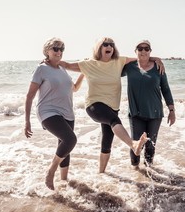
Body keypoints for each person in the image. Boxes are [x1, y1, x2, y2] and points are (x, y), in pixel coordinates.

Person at [58, 37, 164, 173]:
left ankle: (101, 173)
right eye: (105, 44)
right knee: (114, 120)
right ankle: (133, 144)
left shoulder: (119, 61)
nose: (109, 46)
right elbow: (66, 65)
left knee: (107, 142)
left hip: (112, 108)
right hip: (94, 105)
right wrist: (50, 62)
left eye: (111, 44)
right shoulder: (89, 63)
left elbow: (141, 57)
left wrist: (156, 59)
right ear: (99, 48)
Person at [24, 37, 84, 190]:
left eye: (61, 49)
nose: (59, 52)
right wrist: (27, 121)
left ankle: (63, 182)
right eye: (55, 49)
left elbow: (75, 88)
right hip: (48, 111)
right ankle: (50, 172)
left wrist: (84, 73)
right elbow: (30, 95)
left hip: (67, 112)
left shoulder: (63, 69)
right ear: (47, 51)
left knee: (65, 146)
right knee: (70, 139)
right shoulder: (42, 69)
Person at [122, 40, 175, 167]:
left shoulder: (158, 68)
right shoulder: (129, 67)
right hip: (136, 114)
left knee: (151, 146)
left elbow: (166, 89)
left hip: (155, 114)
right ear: (135, 51)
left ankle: (149, 172)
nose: (143, 51)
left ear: (150, 51)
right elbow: (112, 69)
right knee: (136, 146)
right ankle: (135, 171)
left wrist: (171, 111)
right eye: (140, 49)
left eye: (147, 49)